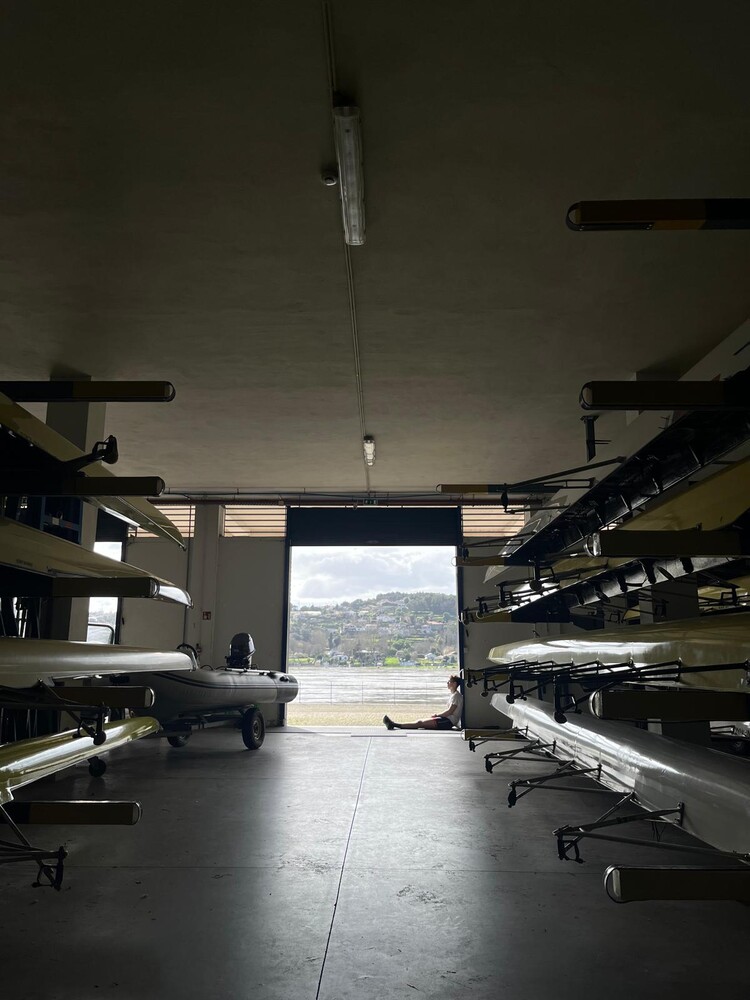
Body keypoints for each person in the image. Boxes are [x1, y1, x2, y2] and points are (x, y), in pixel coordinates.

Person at [383, 675, 463, 730]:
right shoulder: (453, 695)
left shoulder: (456, 696)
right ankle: (394, 724)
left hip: (448, 722)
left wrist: (437, 715)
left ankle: (394, 725)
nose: (447, 683)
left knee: (420, 723)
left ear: (454, 684)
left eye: (449, 682)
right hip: (446, 720)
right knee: (420, 722)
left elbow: (450, 711)